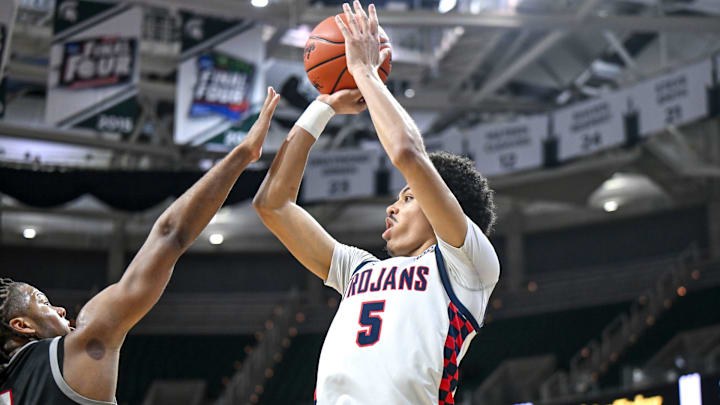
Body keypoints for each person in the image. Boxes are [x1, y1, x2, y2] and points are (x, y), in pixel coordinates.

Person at [252, 2, 499, 404]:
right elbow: (272, 206)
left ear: (444, 206)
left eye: (408, 196)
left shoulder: (468, 265)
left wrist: (364, 71)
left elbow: (406, 153)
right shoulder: (358, 270)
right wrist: (323, 106)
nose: (392, 207)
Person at [0, 88, 281, 405]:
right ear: (21, 326)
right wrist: (242, 154)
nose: (60, 309)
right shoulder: (82, 346)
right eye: (43, 303)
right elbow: (170, 235)